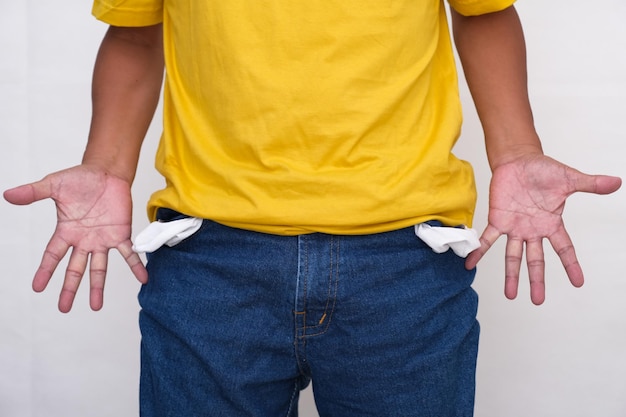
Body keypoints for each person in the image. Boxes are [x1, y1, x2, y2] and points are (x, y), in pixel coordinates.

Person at [3, 1, 621, 416]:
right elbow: (137, 30)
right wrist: (106, 165)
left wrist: (516, 151)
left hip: (406, 264)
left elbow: (483, 11)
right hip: (210, 260)